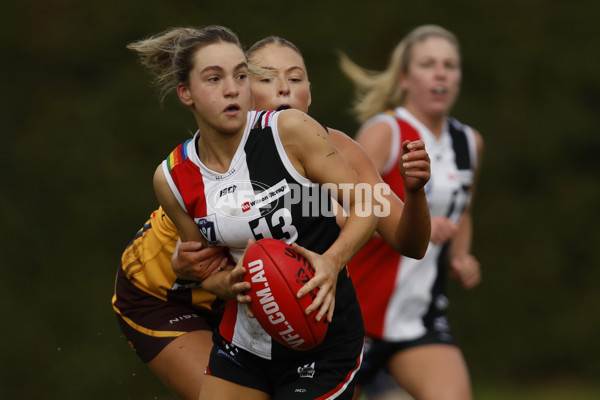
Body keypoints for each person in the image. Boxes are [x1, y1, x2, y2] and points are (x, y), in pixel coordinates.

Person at [112, 31, 430, 400]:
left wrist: (414, 192)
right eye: (266, 77)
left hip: (257, 303)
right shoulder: (184, 172)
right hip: (165, 293)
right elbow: (199, 266)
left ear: (310, 91)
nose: (283, 89)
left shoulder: (324, 147)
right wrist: (187, 269)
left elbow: (404, 236)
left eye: (294, 78)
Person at [339, 24, 484, 400]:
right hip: (355, 314)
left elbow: (462, 210)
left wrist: (462, 256)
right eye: (429, 64)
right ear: (404, 77)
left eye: (450, 65)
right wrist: (412, 223)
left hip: (418, 317)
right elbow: (340, 212)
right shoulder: (384, 131)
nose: (441, 73)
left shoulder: (469, 142)